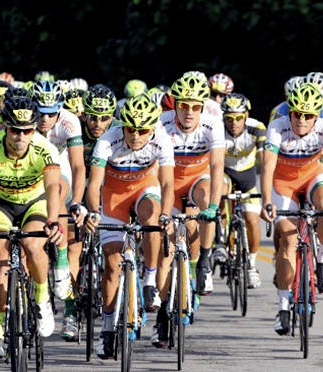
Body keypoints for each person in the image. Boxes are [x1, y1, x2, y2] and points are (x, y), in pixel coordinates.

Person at [0, 97, 64, 360]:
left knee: (33, 245)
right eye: (15, 130)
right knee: (0, 260)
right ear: (4, 126)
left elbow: (54, 187)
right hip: (2, 205)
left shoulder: (45, 149)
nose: (21, 136)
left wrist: (53, 220)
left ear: (35, 129)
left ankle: (42, 300)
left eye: (28, 130)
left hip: (35, 203)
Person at [83, 94, 174, 358]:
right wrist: (92, 212)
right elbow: (94, 185)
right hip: (114, 197)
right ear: (122, 126)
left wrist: (167, 214)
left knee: (153, 217)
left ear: (151, 129)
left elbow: (167, 184)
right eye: (130, 129)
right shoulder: (107, 140)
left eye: (142, 130)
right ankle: (109, 329)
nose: (136, 136)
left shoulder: (161, 138)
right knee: (111, 264)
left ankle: (149, 280)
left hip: (145, 189)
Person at [260, 82, 323, 336]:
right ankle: (284, 306)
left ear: (317, 115)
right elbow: (267, 168)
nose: (301, 119)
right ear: (290, 112)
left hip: (312, 177)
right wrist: (267, 200)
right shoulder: (277, 126)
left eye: (308, 115)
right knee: (287, 241)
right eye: (297, 113)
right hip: (283, 183)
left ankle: (322, 260)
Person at [29, 80, 87, 341]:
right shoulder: (24, 119)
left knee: (73, 244)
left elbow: (77, 167)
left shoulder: (69, 121)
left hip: (60, 168)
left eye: (51, 113)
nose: (44, 119)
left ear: (59, 109)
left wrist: (77, 201)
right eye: (40, 112)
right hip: (29, 172)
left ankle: (71, 311)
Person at [160, 73, 226, 298]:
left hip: (198, 178)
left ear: (202, 107)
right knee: (166, 249)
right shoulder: (162, 123)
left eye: (195, 107)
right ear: (175, 105)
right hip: (168, 182)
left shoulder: (213, 124)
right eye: (184, 106)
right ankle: (162, 311)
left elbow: (217, 166)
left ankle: (204, 262)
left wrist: (214, 207)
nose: (189, 112)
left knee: (206, 199)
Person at [211, 92, 266, 289]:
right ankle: (221, 241)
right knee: (221, 190)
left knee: (252, 220)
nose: (234, 123)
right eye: (229, 118)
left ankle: (251, 264)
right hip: (225, 172)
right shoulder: (216, 130)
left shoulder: (256, 128)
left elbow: (265, 160)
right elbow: (213, 162)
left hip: (247, 175)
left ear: (246, 115)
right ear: (223, 117)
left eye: (238, 118)